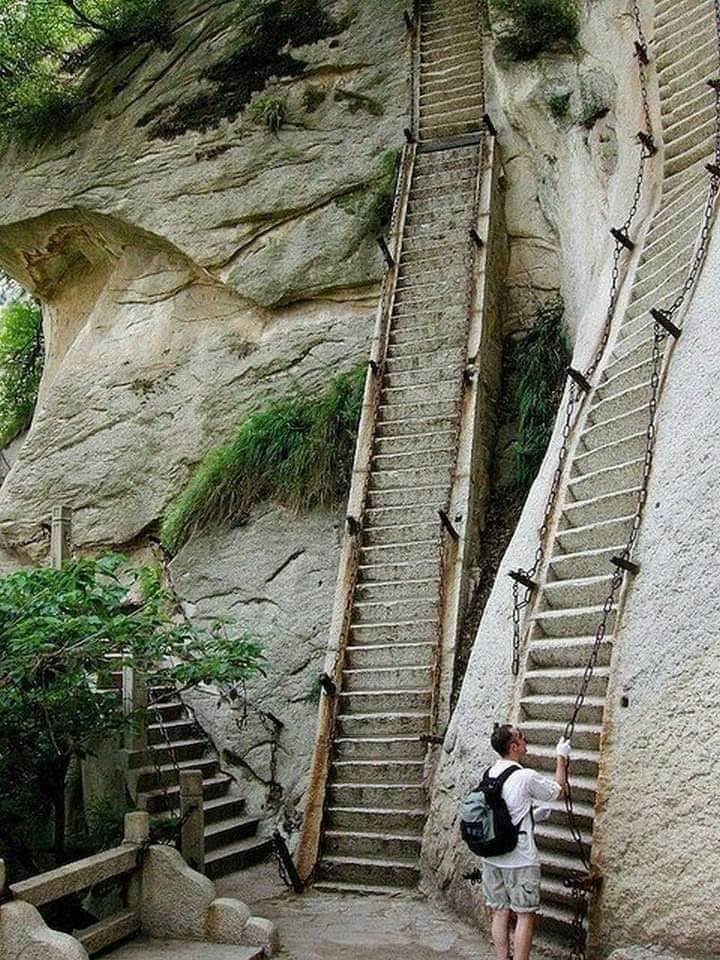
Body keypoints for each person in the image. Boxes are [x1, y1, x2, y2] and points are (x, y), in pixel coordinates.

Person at [481, 724, 571, 960]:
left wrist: (532, 816)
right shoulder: (525, 776)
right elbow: (558, 791)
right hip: (519, 858)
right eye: (521, 738)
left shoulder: (489, 774)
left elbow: (505, 811)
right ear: (513, 747)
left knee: (500, 912)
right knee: (524, 914)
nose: (525, 740)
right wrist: (562, 757)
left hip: (491, 857)